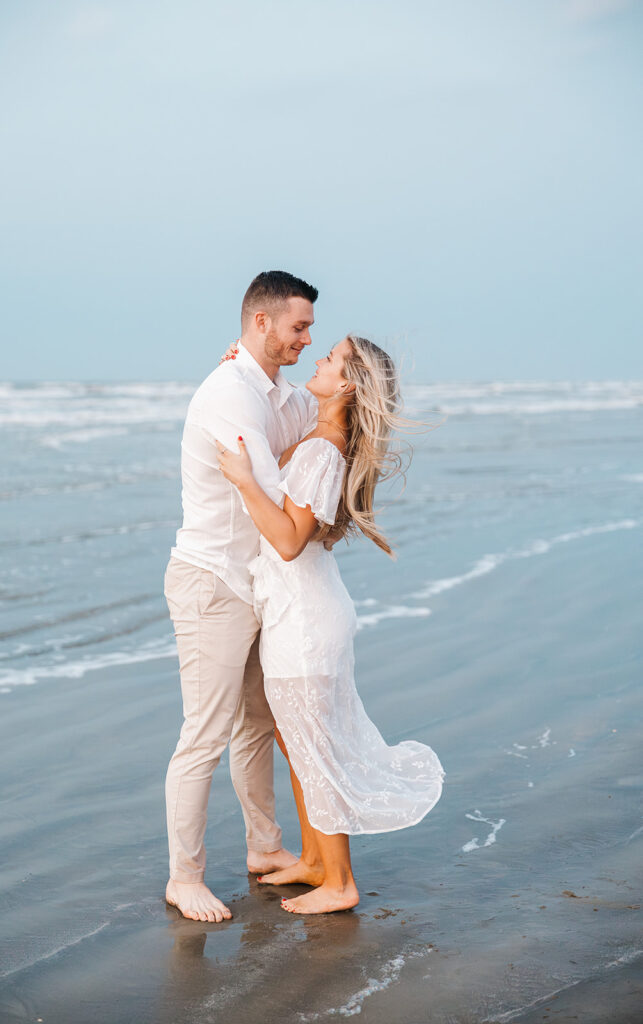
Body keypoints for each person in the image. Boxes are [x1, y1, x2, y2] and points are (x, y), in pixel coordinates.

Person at [217, 334, 445, 914]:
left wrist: (243, 480)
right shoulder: (318, 437)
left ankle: (339, 883)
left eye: (331, 358)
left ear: (347, 384)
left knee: (314, 746)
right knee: (297, 743)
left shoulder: (323, 449)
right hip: (304, 611)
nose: (317, 359)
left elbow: (290, 541)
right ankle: (316, 860)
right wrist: (242, 370)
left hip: (306, 621)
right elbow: (278, 413)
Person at [164, 270, 320, 923]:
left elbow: (315, 421)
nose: (306, 340)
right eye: (298, 327)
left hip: (252, 581)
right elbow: (271, 493)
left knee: (257, 721)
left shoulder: (270, 388)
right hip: (212, 583)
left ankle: (264, 848)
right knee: (203, 735)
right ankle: (184, 877)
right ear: (260, 322)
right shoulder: (230, 393)